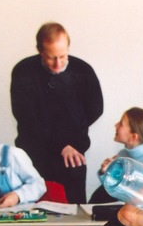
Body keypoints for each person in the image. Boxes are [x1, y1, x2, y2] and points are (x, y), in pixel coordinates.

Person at [10, 22, 103, 204]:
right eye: (51, 57)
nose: (58, 63)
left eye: (63, 56)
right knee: (34, 214)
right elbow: (27, 118)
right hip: (35, 154)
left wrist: (71, 144)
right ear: (39, 50)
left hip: (72, 155)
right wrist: (62, 144)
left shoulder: (83, 70)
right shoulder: (23, 71)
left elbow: (96, 109)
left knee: (74, 213)